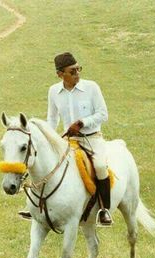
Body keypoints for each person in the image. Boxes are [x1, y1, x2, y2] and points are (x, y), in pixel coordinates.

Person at [47, 52, 113, 225]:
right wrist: (49, 137)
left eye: (78, 69)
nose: (77, 74)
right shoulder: (54, 91)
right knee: (46, 162)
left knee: (99, 165)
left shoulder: (91, 87)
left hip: (92, 138)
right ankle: (38, 207)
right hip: (69, 141)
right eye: (73, 71)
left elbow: (103, 114)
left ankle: (104, 209)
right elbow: (52, 119)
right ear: (60, 74)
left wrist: (82, 122)